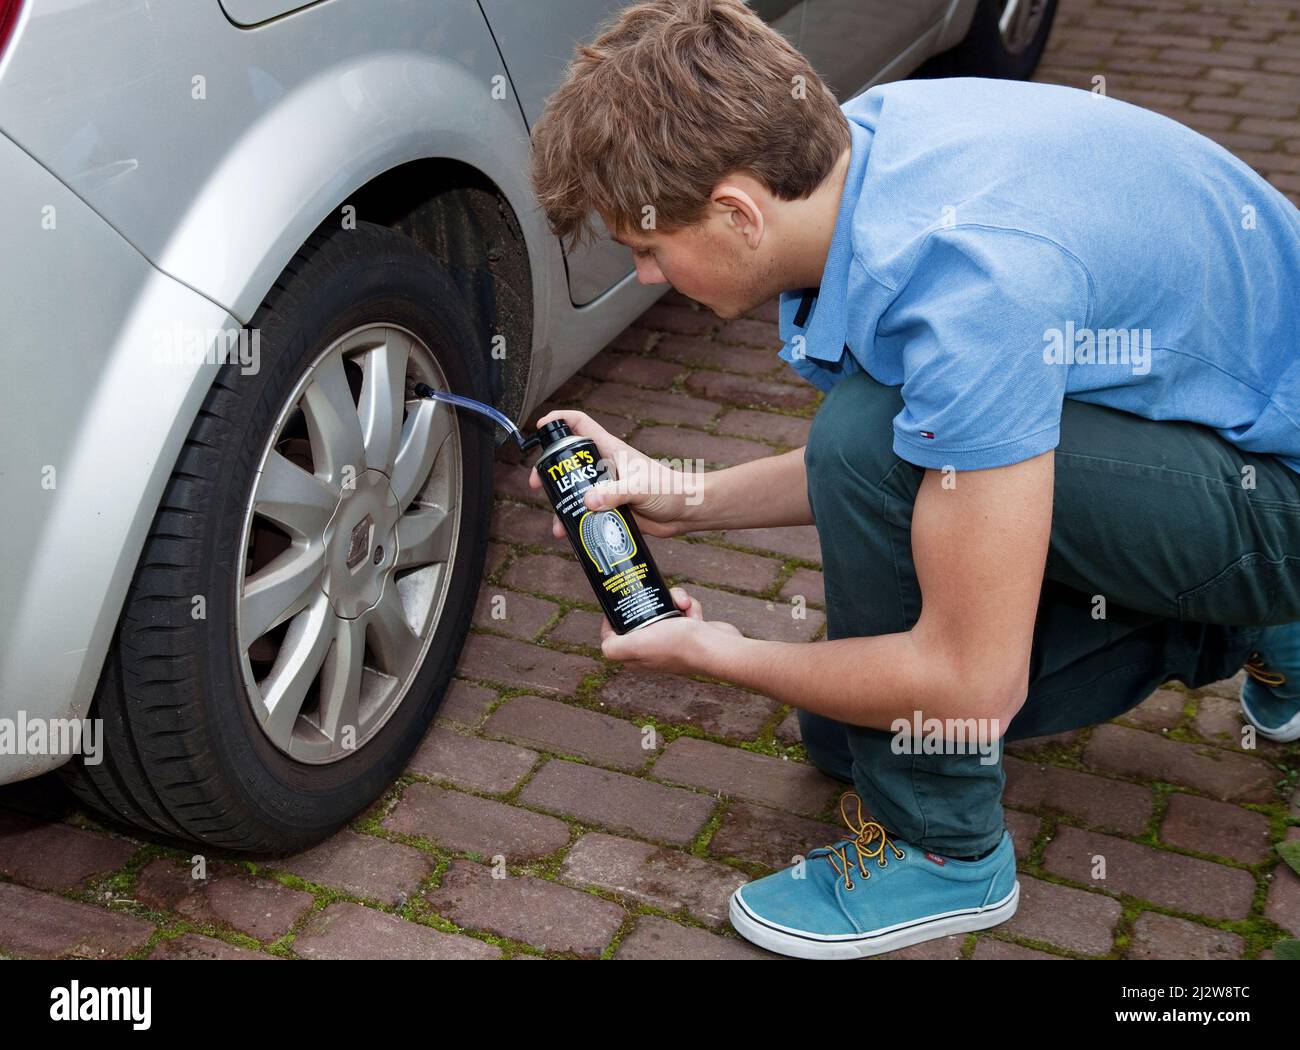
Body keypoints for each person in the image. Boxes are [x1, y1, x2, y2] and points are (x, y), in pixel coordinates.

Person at [526, 0, 1300, 959]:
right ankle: (1249, 624)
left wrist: (714, 652)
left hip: (1278, 496)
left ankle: (945, 854)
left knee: (868, 464)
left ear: (736, 211)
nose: (646, 276)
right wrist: (688, 498)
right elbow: (946, 437)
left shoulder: (976, 285)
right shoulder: (868, 145)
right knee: (843, 733)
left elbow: (970, 687)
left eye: (648, 247)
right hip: (1225, 439)